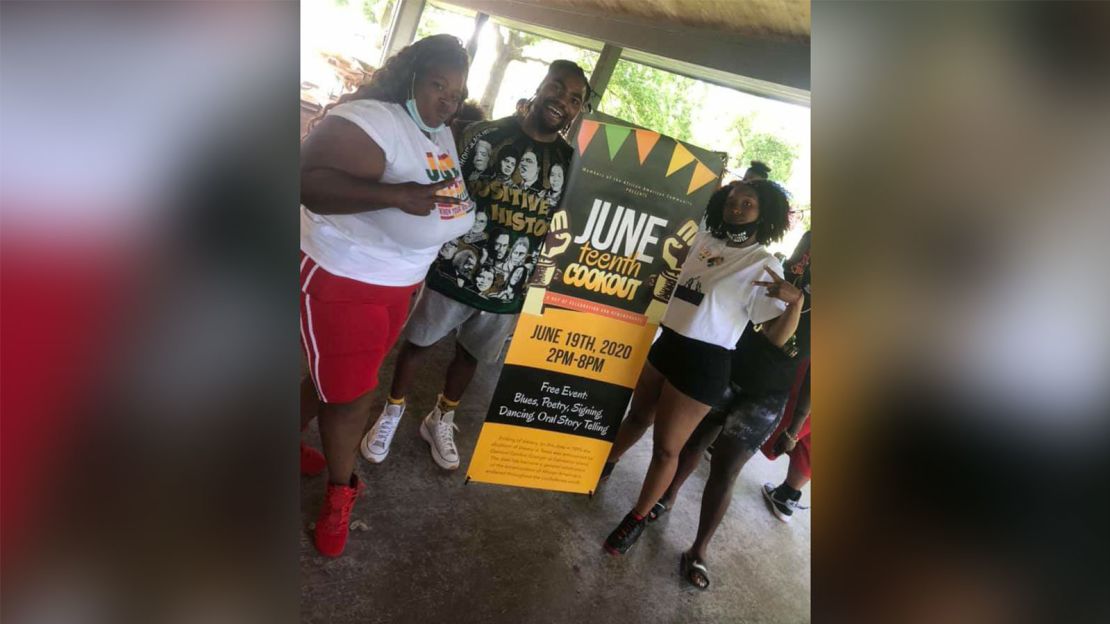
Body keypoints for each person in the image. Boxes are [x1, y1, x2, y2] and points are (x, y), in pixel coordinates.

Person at [361, 60, 592, 470]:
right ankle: (392, 411)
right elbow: (441, 186)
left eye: (575, 99)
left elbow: (567, 225)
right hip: (452, 269)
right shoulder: (482, 135)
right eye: (557, 88)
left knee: (471, 357)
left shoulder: (572, 166)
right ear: (540, 86)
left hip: (510, 283)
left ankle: (441, 418)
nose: (563, 101)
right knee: (418, 345)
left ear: (578, 111)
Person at [298, 35, 472, 557]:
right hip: (345, 277)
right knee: (352, 396)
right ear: (412, 75)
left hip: (400, 283)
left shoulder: (438, 131)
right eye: (438, 84)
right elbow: (308, 183)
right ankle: (341, 490)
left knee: (335, 378)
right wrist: (393, 196)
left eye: (456, 92)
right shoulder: (374, 119)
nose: (447, 99)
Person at [599, 179, 795, 558]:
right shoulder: (704, 241)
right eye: (732, 201)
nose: (736, 208)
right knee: (637, 416)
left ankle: (636, 518)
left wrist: (795, 301)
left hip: (706, 362)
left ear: (764, 213)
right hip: (668, 342)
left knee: (666, 449)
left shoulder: (764, 264)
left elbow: (775, 337)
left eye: (748, 204)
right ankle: (604, 464)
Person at [644, 230, 811, 589]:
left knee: (726, 469)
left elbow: (780, 342)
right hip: (727, 364)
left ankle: (699, 550)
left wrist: (794, 427)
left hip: (766, 392)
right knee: (693, 443)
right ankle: (666, 497)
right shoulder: (784, 265)